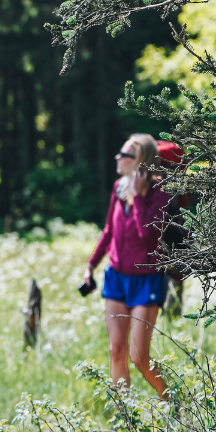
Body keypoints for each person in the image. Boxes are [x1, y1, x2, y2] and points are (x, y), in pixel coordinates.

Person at [81, 133, 185, 398]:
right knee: (116, 350)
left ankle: (172, 402)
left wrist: (137, 197)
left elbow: (147, 235)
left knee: (139, 356)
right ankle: (125, 415)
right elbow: (109, 230)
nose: (118, 158)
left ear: (141, 161)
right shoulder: (119, 187)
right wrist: (90, 266)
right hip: (116, 276)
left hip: (146, 278)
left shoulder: (160, 192)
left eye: (125, 155)